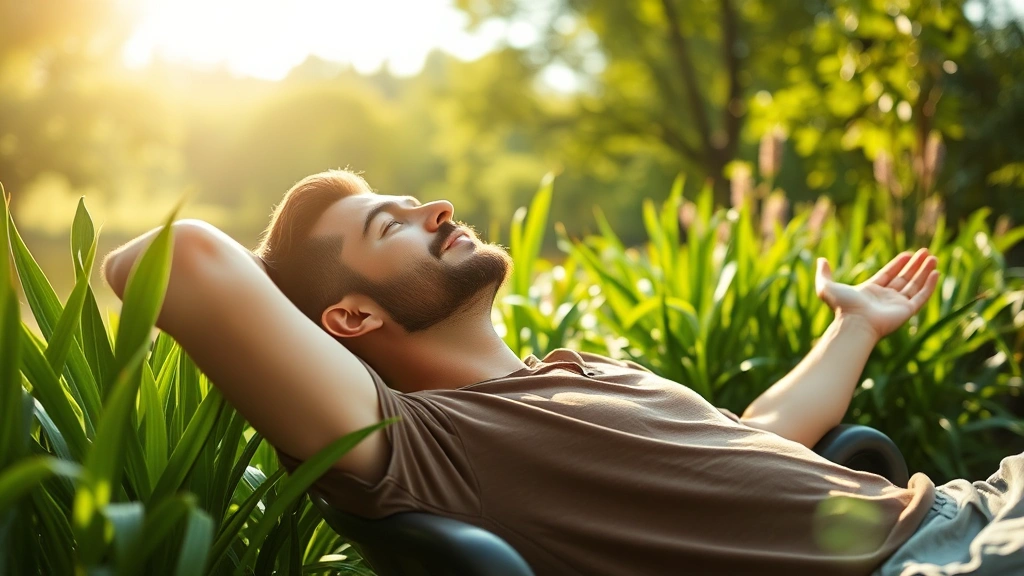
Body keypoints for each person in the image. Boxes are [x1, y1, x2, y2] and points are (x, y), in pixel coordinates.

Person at [102, 169, 1023, 576]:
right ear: (351, 318)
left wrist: (854, 328)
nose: (437, 207)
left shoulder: (576, 374)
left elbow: (758, 440)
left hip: (969, 507)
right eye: (393, 224)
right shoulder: (424, 444)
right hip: (939, 561)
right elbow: (167, 259)